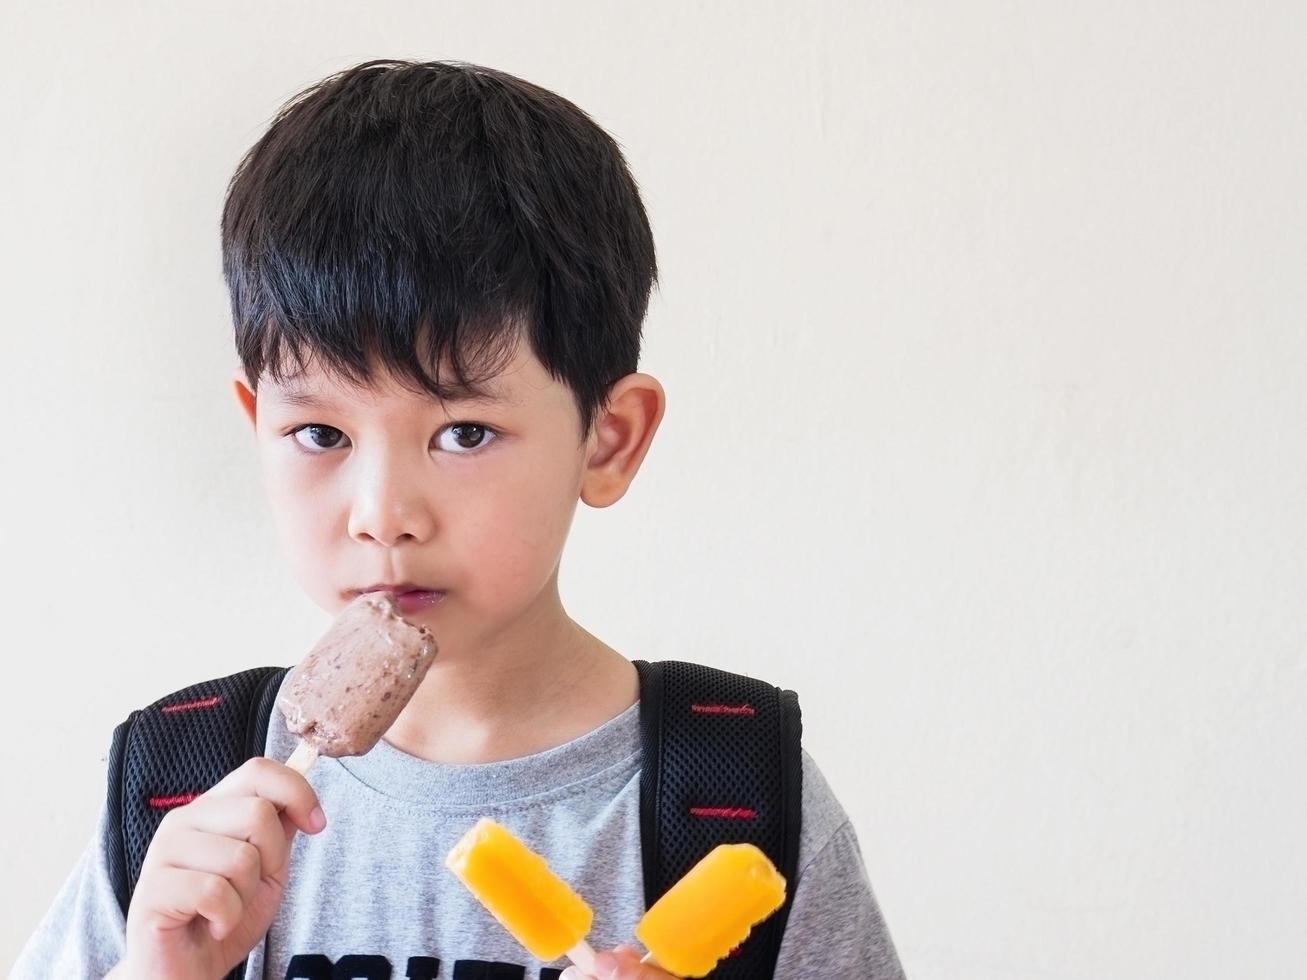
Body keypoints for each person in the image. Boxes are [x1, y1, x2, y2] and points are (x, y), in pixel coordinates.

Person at [13, 58, 906, 980]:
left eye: (464, 431)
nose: (381, 514)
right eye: (319, 431)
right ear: (257, 430)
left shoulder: (738, 797)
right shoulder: (185, 790)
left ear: (608, 440)